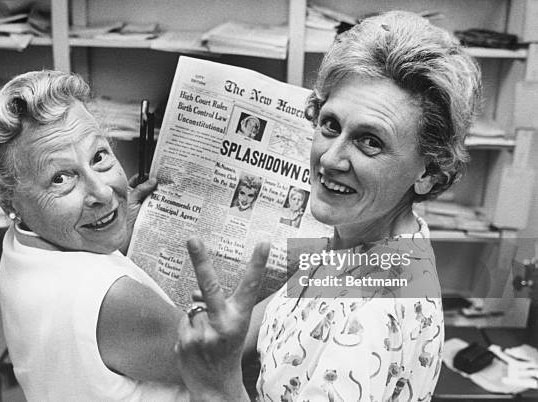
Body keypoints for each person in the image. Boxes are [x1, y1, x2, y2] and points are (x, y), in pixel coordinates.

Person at [176, 10, 480, 402]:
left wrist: (216, 385)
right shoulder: (360, 243)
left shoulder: (372, 317)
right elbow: (259, 321)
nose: (330, 159)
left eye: (370, 141)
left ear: (430, 173)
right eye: (330, 125)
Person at [0, 70, 192, 401]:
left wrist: (116, 224)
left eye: (99, 157)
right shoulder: (114, 298)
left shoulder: (21, 242)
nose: (102, 192)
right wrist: (299, 276)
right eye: (61, 178)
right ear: (7, 200)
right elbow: (225, 356)